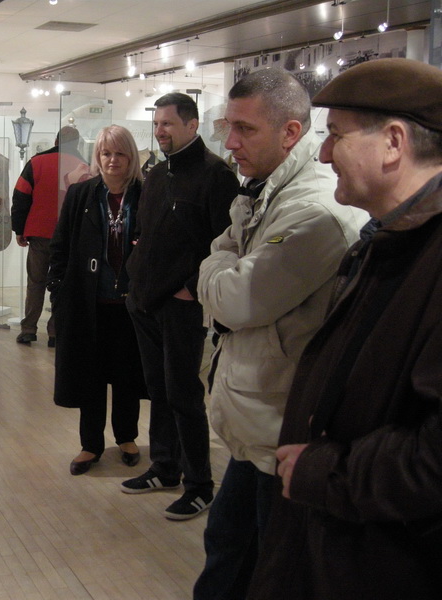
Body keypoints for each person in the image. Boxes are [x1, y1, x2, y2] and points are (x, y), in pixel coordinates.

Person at [248, 58, 442, 600]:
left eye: (336, 134)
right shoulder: (385, 242)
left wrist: (324, 473)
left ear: (394, 142)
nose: (324, 153)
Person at [194, 69, 366, 599]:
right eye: (228, 127)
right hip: (256, 422)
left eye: (245, 129)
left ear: (291, 132)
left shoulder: (315, 209)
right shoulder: (268, 189)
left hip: (282, 429)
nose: (230, 143)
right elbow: (225, 252)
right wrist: (223, 261)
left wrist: (215, 267)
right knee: (228, 547)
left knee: (269, 568)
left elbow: (236, 299)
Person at [121, 93, 238, 521]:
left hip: (181, 305)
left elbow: (226, 244)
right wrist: (135, 280)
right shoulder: (156, 174)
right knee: (158, 389)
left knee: (184, 393)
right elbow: (145, 231)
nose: (160, 131)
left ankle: (200, 485)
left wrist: (191, 288)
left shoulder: (216, 175)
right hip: (146, 301)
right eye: (156, 124)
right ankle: (165, 467)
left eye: (168, 124)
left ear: (192, 125)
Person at [47, 125, 147, 476]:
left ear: (131, 157)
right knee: (90, 376)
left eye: (120, 153)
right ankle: (90, 444)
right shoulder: (81, 194)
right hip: (89, 303)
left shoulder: (144, 195)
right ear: (97, 157)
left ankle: (127, 437)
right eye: (106, 153)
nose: (112, 160)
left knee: (127, 375)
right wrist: (58, 289)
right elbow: (60, 245)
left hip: (131, 306)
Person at [11, 126, 87, 347]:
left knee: (36, 282)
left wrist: (19, 229)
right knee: (61, 283)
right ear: (77, 143)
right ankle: (55, 332)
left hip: (39, 233)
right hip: (68, 236)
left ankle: (28, 330)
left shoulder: (36, 162)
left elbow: (21, 196)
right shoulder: (84, 166)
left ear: (55, 140)